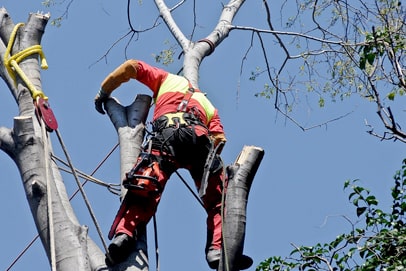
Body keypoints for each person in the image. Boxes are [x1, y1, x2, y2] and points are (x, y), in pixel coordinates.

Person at [94, 59, 252, 269]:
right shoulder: (209, 105)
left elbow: (132, 66)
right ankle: (216, 249)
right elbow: (219, 139)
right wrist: (202, 167)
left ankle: (124, 235)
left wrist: (103, 92)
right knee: (218, 202)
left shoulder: (166, 79)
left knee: (144, 187)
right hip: (200, 141)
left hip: (167, 137)